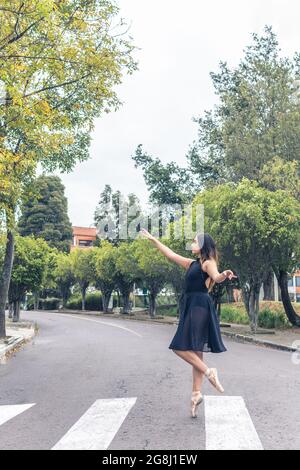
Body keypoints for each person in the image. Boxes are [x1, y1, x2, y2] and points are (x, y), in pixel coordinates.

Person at [139, 229, 237, 418]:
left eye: (194, 241)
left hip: (199, 306)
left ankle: (210, 372)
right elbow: (170, 254)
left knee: (179, 347)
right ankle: (196, 395)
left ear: (202, 245)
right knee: (196, 351)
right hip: (191, 306)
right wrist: (154, 240)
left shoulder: (208, 263)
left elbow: (216, 277)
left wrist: (224, 274)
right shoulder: (192, 264)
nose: (191, 244)